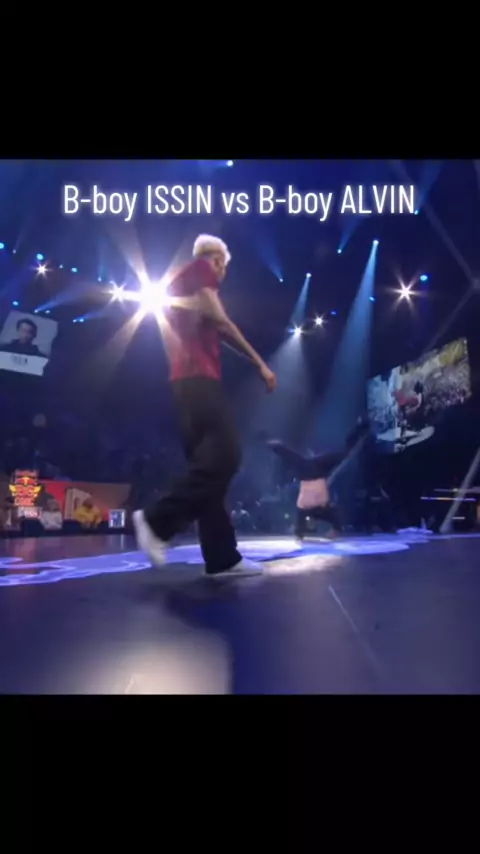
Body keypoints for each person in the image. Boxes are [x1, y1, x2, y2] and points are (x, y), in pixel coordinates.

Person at [133, 234, 276, 577]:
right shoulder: (201, 268)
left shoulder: (185, 283)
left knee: (211, 470)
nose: (222, 274)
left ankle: (222, 558)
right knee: (227, 456)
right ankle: (156, 520)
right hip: (198, 382)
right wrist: (261, 363)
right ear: (217, 261)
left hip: (184, 385)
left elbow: (218, 329)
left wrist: (252, 360)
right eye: (223, 267)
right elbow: (222, 321)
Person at [267, 420, 369, 541]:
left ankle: (273, 444)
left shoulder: (309, 509)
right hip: (314, 473)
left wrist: (300, 533)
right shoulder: (315, 509)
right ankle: (360, 428)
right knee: (341, 454)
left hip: (312, 473)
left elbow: (301, 527)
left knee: (295, 458)